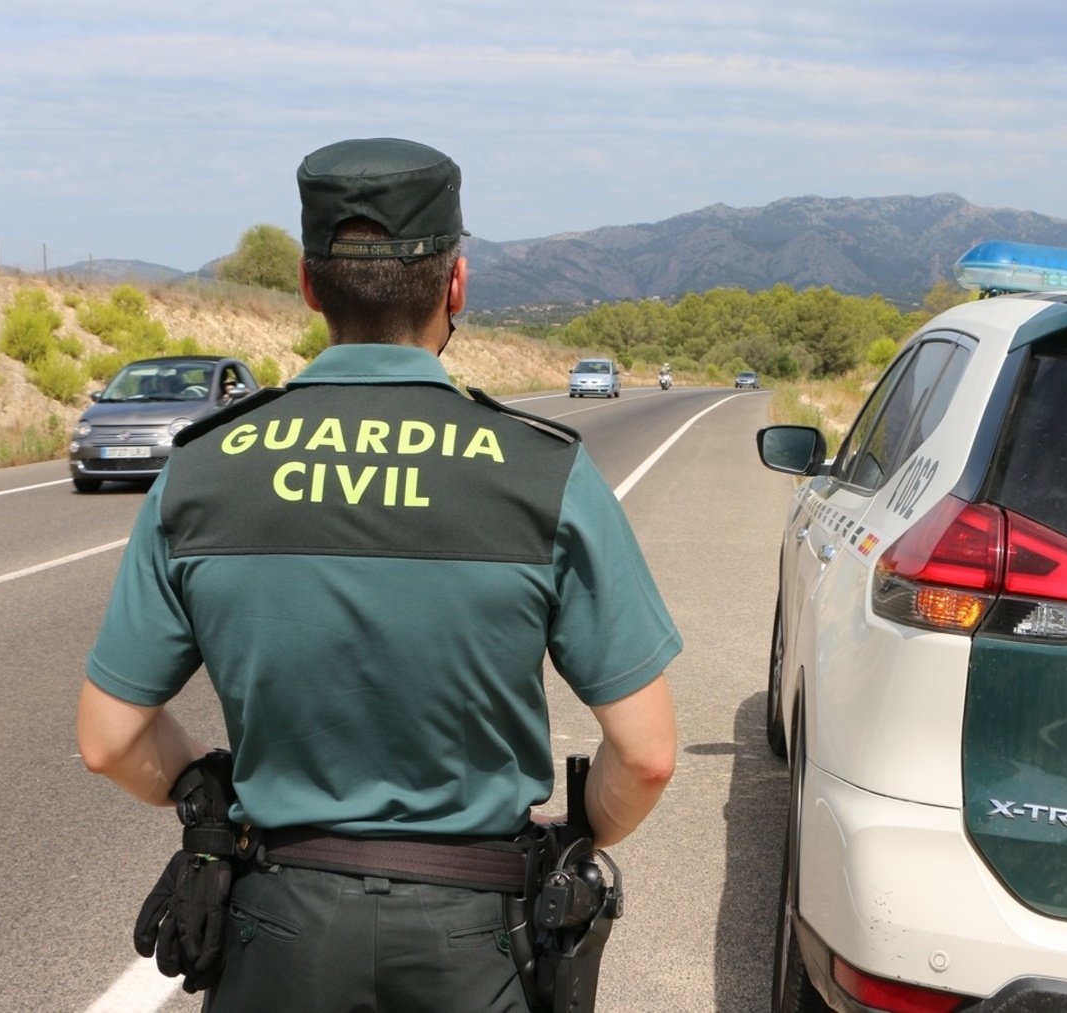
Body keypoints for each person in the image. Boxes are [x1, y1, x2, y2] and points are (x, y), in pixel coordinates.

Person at [76, 137, 681, 1011]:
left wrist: (203, 787)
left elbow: (109, 740)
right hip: (477, 937)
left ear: (309, 284)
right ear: (456, 285)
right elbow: (650, 755)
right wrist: (581, 831)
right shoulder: (542, 471)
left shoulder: (206, 470)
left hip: (277, 926)